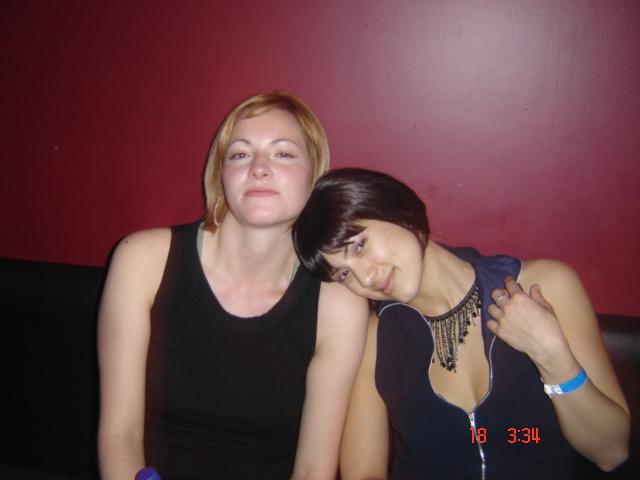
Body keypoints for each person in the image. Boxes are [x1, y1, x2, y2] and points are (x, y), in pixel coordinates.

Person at [292, 168, 630, 480]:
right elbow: (364, 473)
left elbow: (610, 452)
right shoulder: (373, 338)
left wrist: (553, 357)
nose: (365, 277)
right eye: (344, 274)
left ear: (397, 211)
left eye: (360, 245)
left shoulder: (545, 286)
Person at [97, 93, 368, 480]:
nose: (259, 168)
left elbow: (313, 470)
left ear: (314, 176)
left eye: (283, 154)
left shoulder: (337, 303)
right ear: (220, 175)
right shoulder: (142, 261)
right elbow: (119, 436)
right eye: (240, 154)